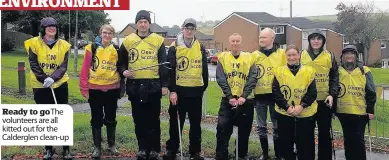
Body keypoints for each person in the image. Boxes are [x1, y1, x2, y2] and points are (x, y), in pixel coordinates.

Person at [118, 10, 168, 160]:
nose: (143, 24)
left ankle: (154, 150)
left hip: (153, 84)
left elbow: (164, 64)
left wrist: (164, 84)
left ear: (149, 24)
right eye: (140, 22)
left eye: (146, 22)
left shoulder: (158, 40)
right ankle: (142, 148)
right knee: (138, 119)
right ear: (136, 24)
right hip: (135, 85)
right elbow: (121, 62)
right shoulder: (128, 40)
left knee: (153, 119)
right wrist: (124, 71)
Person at [24, 17, 72, 160]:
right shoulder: (33, 44)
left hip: (60, 84)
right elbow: (33, 64)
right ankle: (48, 149)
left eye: (54, 26)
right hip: (40, 86)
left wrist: (54, 78)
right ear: (43, 29)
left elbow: (64, 65)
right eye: (49, 26)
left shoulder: (64, 45)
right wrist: (44, 79)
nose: (52, 28)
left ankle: (66, 149)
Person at [163, 18, 209, 160]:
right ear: (182, 29)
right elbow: (170, 70)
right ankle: (172, 149)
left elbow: (204, 69)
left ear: (195, 30)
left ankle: (195, 151)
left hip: (196, 92)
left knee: (196, 124)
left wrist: (203, 87)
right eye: (187, 28)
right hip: (179, 93)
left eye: (192, 29)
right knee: (175, 123)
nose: (189, 31)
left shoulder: (200, 47)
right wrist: (173, 90)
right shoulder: (174, 46)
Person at [79, 24, 124, 158]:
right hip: (95, 89)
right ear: (100, 33)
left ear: (113, 35)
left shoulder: (116, 49)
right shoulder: (91, 48)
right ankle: (97, 147)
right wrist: (84, 87)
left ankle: (111, 145)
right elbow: (84, 69)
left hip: (112, 89)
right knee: (96, 118)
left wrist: (122, 88)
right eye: (105, 32)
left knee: (111, 118)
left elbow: (120, 69)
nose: (107, 35)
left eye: (110, 33)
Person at [215, 33, 258, 160]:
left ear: (241, 42)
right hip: (227, 100)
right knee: (222, 129)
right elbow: (220, 78)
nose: (235, 43)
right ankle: (221, 155)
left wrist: (244, 96)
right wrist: (229, 96)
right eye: (233, 41)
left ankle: (241, 155)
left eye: (237, 41)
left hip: (245, 100)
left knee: (244, 132)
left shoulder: (249, 58)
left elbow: (253, 77)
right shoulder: (222, 57)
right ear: (229, 42)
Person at [273, 45, 318, 160]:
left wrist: (301, 106)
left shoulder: (309, 71)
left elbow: (312, 93)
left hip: (305, 114)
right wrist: (287, 107)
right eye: (289, 55)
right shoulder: (279, 71)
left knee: (305, 145)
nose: (292, 57)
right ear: (285, 56)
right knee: (286, 144)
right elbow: (276, 93)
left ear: (299, 55)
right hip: (284, 114)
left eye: (294, 54)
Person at [300, 29, 339, 160]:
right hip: (306, 102)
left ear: (323, 41)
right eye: (313, 38)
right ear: (309, 41)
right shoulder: (301, 55)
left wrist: (332, 94)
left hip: (324, 102)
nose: (316, 41)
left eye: (319, 38)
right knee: (306, 134)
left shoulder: (330, 56)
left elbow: (334, 78)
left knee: (324, 134)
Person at [336, 45, 376, 160]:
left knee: (358, 140)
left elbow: (371, 91)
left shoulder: (364, 70)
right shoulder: (339, 71)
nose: (349, 56)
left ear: (356, 56)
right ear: (343, 56)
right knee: (348, 139)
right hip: (343, 111)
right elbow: (334, 90)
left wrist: (370, 110)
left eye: (352, 53)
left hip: (360, 112)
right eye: (346, 54)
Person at [251, 27, 286, 160]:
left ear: (272, 38)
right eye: (260, 37)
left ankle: (278, 154)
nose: (261, 39)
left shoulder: (282, 54)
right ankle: (265, 154)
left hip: (276, 97)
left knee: (277, 127)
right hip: (259, 97)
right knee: (261, 126)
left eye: (264, 37)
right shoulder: (254, 55)